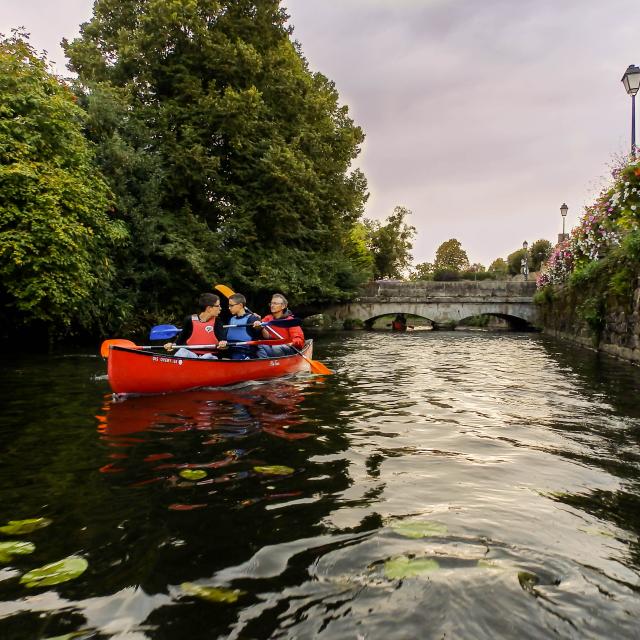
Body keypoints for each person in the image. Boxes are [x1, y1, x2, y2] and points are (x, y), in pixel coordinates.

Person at [164, 293, 227, 359]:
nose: (220, 308)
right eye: (218, 306)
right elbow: (181, 338)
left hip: (210, 356)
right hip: (192, 355)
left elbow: (224, 342)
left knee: (206, 357)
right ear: (209, 308)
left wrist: (223, 344)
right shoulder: (189, 320)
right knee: (182, 352)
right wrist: (172, 345)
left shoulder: (218, 322)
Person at [254, 293, 305, 358]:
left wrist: (292, 342)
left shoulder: (290, 321)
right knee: (258, 345)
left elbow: (299, 339)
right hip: (273, 347)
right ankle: (266, 363)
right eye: (271, 303)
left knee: (276, 347)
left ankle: (280, 364)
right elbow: (264, 332)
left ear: (283, 306)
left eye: (275, 303)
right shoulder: (268, 318)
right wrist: (257, 321)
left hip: (290, 348)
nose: (272, 305)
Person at [226, 293, 263, 360]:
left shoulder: (252, 318)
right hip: (230, 350)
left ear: (240, 305)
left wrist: (259, 325)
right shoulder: (231, 319)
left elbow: (259, 333)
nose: (229, 308)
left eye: (231, 305)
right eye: (229, 305)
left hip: (246, 353)